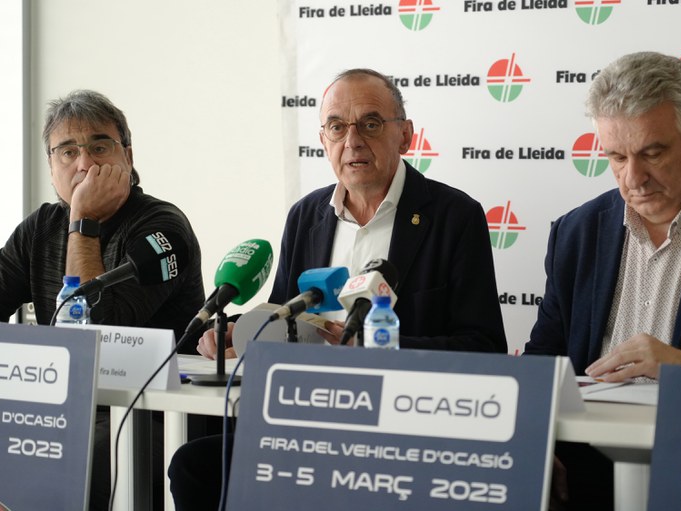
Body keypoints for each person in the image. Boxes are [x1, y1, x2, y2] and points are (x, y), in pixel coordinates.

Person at [169, 68, 508, 510]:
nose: (352, 141)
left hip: (402, 428)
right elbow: (284, 314)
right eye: (336, 127)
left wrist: (376, 349)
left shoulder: (453, 216)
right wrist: (236, 331)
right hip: (305, 423)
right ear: (323, 139)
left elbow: (483, 347)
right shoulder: (305, 215)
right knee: (193, 466)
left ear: (405, 136)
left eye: (371, 123)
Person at [523, 51, 681, 509]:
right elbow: (545, 357)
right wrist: (534, 444)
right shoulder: (576, 232)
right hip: (586, 481)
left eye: (652, 153)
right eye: (616, 157)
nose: (633, 178)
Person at [0, 89, 206, 510]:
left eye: (99, 147)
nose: (85, 164)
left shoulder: (163, 227)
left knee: (72, 458)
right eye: (67, 151)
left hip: (151, 415)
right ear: (51, 166)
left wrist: (84, 221)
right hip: (63, 405)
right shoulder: (40, 228)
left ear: (127, 156)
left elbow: (100, 333)